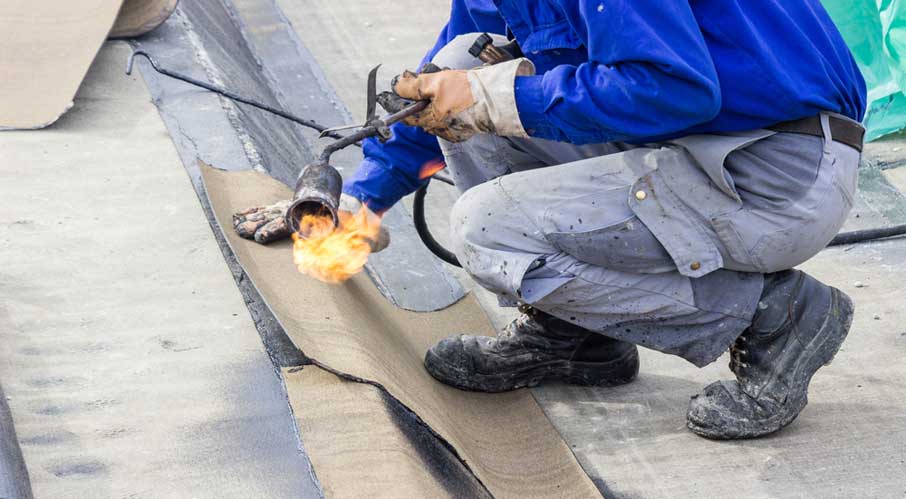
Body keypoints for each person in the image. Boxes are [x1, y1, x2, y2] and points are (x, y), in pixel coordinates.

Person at [234, 0, 867, 440]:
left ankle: (775, 316)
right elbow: (440, 90)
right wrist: (356, 206)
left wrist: (498, 98)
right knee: (464, 66)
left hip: (775, 171)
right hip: (689, 143)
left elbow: (674, 89)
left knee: (487, 227)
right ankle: (580, 338)